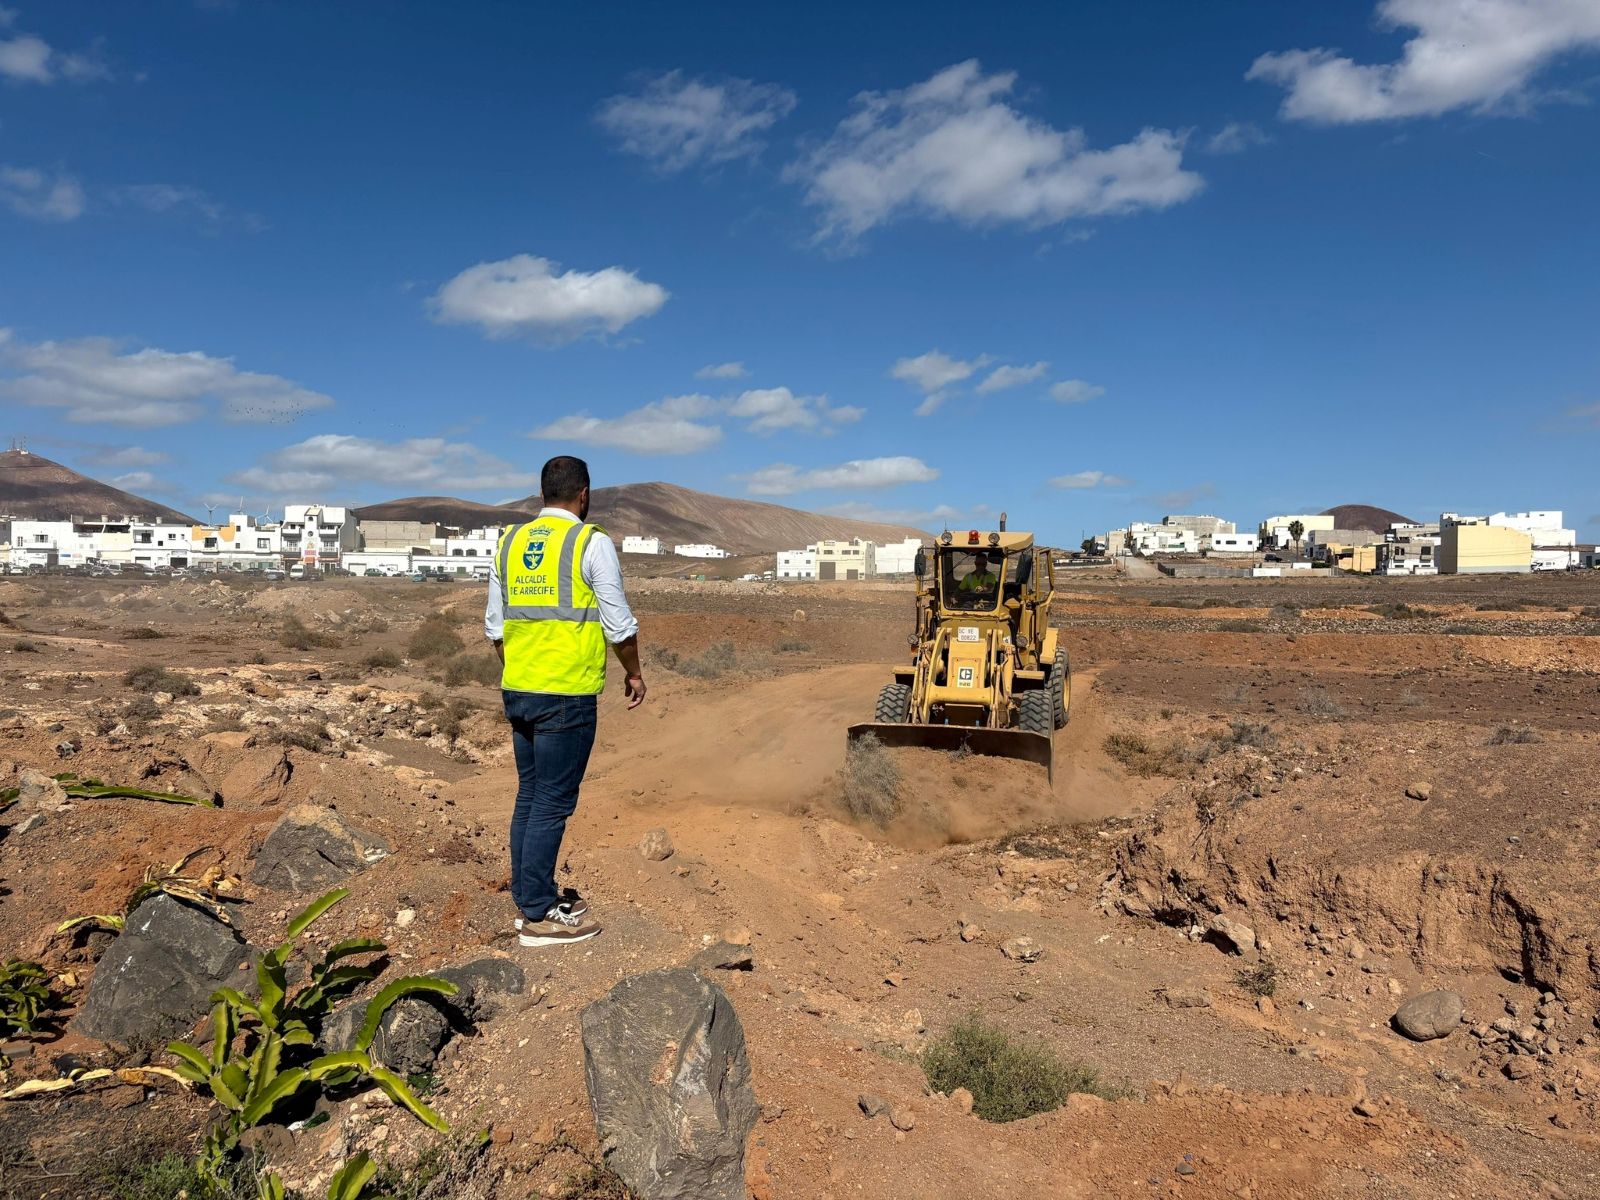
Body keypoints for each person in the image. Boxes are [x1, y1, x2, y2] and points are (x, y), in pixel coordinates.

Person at [485, 455, 646, 947]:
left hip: (520, 688)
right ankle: (538, 913)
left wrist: (522, 672)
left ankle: (529, 894)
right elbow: (619, 623)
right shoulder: (589, 541)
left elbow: (496, 627)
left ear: (542, 493)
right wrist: (634, 672)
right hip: (566, 694)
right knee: (553, 801)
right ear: (583, 494)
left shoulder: (508, 543)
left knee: (530, 794)